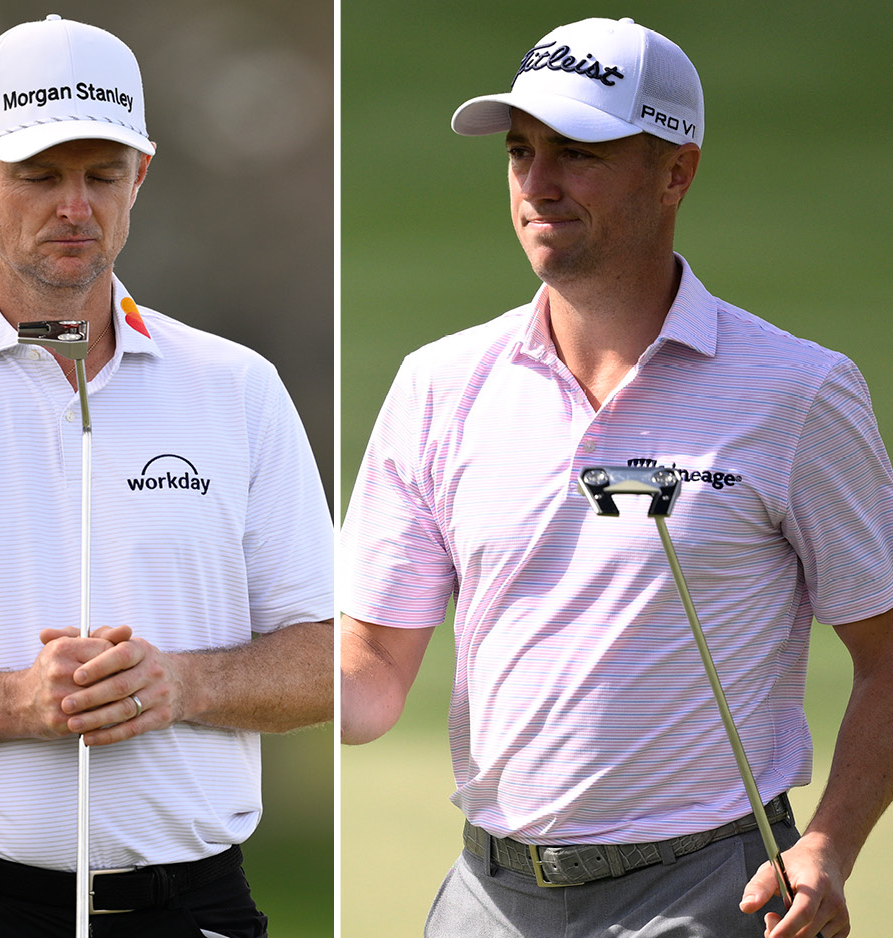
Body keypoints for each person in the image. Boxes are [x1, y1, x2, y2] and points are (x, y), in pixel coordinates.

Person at [340, 15, 893, 938]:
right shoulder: (436, 384)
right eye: (520, 152)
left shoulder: (797, 392)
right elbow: (370, 675)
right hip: (488, 896)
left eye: (578, 152)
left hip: (709, 892)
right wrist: (245, 666)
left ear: (676, 170)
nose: (537, 184)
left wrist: (830, 845)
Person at [0, 14, 333, 938]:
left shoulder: (238, 389)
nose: (72, 205)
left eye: (100, 174)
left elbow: (323, 660)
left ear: (139, 178)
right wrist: (12, 702)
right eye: (38, 175)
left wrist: (181, 686)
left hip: (190, 904)